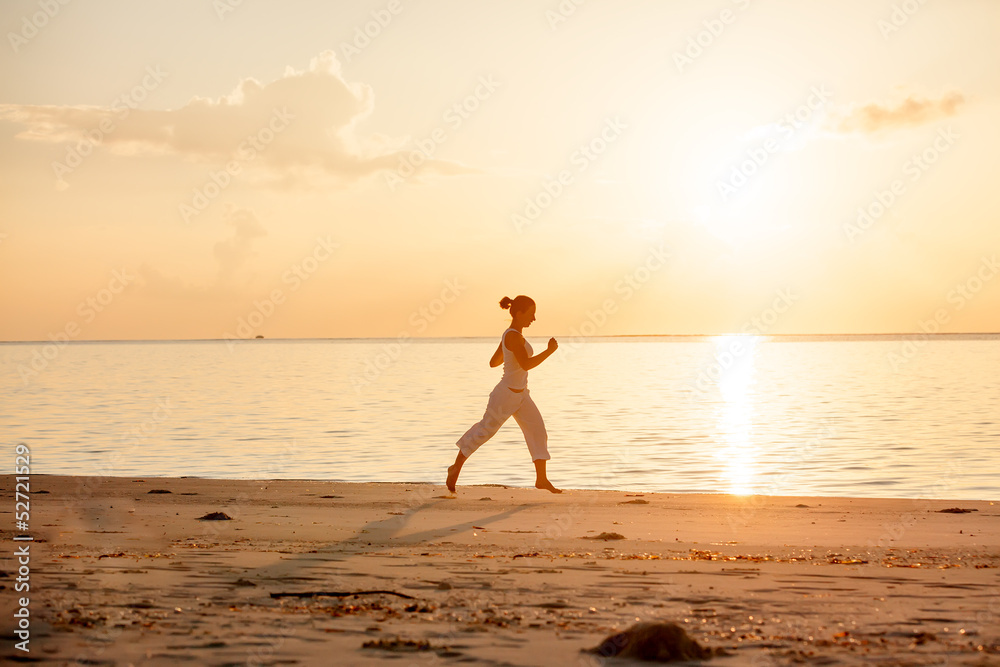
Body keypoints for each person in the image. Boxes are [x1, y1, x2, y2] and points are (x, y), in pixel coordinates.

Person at [447, 295, 561, 494]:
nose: (533, 319)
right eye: (531, 314)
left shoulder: (511, 335)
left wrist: (507, 352)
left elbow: (494, 362)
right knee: (484, 431)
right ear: (519, 313)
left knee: (538, 431)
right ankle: (455, 467)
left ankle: (541, 479)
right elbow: (525, 364)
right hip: (505, 395)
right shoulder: (512, 336)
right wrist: (549, 351)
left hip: (522, 395)